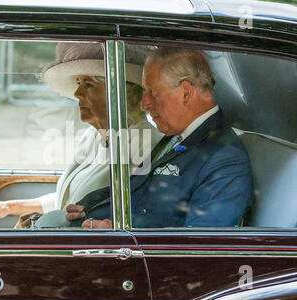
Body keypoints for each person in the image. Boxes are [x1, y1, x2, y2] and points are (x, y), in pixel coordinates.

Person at [0, 42, 162, 229]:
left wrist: (50, 221)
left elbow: (135, 217)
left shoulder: (147, 144)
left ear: (122, 93)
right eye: (78, 82)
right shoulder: (94, 137)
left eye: (88, 85)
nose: (77, 93)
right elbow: (72, 201)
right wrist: (10, 207)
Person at [65, 46, 255, 229]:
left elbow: (203, 246)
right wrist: (88, 205)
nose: (144, 104)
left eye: (153, 92)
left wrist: (120, 231)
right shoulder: (177, 137)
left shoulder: (225, 159)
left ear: (185, 92)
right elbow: (137, 187)